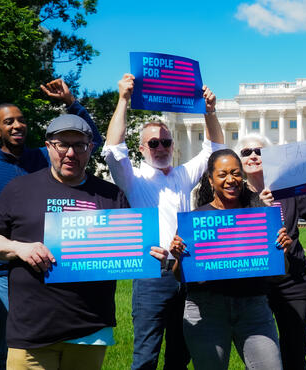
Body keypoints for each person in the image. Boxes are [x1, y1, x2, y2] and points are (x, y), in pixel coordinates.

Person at [0, 114, 167, 369]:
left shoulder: (111, 195)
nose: (70, 153)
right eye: (62, 144)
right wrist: (18, 247)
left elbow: (132, 247)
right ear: (48, 146)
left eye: (79, 145)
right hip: (31, 331)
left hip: (89, 331)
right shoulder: (18, 189)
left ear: (90, 148)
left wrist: (151, 254)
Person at [102, 74, 225, 369]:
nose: (161, 147)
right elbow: (112, 149)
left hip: (186, 272)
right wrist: (122, 100)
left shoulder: (182, 175)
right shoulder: (133, 178)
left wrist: (209, 111)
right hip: (152, 275)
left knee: (180, 355)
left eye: (166, 142)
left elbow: (215, 149)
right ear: (142, 148)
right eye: (153, 142)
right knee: (146, 353)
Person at [0, 78, 102, 370]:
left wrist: (71, 103)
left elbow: (89, 142)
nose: (18, 125)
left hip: (47, 259)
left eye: (21, 120)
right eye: (9, 122)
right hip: (4, 266)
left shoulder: (41, 157)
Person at [169, 149, 287, 369]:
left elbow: (279, 273)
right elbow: (180, 276)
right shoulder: (195, 221)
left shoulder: (259, 215)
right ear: (210, 180)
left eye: (235, 173)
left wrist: (282, 250)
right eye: (222, 174)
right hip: (206, 308)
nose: (230, 179)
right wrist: (177, 257)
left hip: (253, 308)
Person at [235, 133, 306, 370]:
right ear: (240, 160)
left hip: (294, 281)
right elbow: (235, 238)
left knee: (295, 351)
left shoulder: (288, 190)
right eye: (246, 152)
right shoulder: (236, 196)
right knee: (260, 353)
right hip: (256, 282)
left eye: (259, 151)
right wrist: (260, 207)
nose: (253, 156)